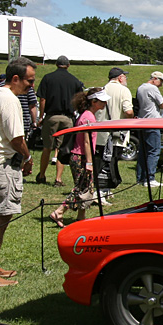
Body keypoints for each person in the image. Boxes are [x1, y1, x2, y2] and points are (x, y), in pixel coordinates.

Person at [0, 57, 37, 287]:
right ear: (15, 78)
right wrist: (28, 157)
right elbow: (16, 138)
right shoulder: (10, 100)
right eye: (29, 81)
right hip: (1, 167)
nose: (31, 86)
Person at [49, 88, 110, 227]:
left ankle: (81, 217)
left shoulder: (86, 114)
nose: (105, 103)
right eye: (102, 101)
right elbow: (87, 141)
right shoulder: (88, 117)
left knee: (87, 186)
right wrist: (89, 162)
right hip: (81, 156)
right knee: (81, 187)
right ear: (94, 101)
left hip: (80, 156)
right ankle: (59, 211)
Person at [35, 55, 84, 186]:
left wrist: (41, 117)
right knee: (62, 148)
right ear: (68, 66)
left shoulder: (47, 78)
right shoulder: (74, 81)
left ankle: (42, 175)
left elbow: (43, 99)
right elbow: (80, 99)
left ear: (56, 64)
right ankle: (58, 179)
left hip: (51, 116)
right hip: (68, 118)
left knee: (47, 147)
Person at [135, 70, 163, 187]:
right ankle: (150, 179)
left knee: (143, 152)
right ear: (155, 78)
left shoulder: (140, 88)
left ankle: (140, 178)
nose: (161, 84)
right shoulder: (153, 89)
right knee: (154, 151)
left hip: (142, 122)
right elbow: (162, 105)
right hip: (153, 121)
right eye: (161, 81)